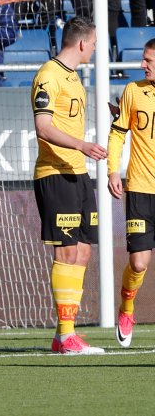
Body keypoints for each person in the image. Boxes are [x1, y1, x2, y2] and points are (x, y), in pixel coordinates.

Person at [30, 16, 107, 355]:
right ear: (81, 43)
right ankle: (66, 335)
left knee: (85, 249)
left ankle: (65, 334)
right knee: (67, 251)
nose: (93, 48)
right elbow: (43, 127)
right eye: (92, 43)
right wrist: (81, 144)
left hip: (78, 174)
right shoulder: (48, 75)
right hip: (55, 172)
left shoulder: (74, 78)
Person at [108, 38, 155, 347]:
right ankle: (127, 307)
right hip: (139, 189)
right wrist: (113, 170)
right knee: (138, 263)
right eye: (143, 58)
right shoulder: (133, 91)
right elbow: (118, 134)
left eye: (148, 60)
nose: (142, 64)